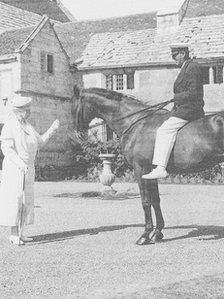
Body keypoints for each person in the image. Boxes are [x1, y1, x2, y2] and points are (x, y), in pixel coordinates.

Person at [0, 93, 60, 245]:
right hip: (15, 167)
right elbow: (6, 148)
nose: (29, 112)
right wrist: (20, 163)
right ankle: (13, 234)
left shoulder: (27, 126)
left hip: (29, 167)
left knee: (27, 200)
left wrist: (52, 129)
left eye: (29, 109)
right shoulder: (10, 125)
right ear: (19, 111)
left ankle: (21, 233)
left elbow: (40, 142)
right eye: (27, 110)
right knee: (15, 199)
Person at [142, 43, 204, 180]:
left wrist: (176, 98)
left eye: (175, 55)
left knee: (164, 130)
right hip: (184, 108)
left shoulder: (192, 67)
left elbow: (194, 93)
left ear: (183, 54)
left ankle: (160, 168)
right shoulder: (186, 67)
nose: (173, 59)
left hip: (191, 109)